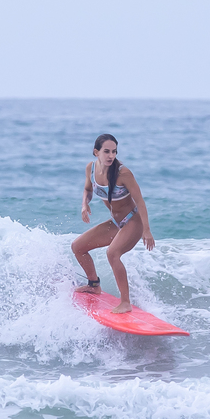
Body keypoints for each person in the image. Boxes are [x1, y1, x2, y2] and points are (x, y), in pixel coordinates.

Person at [71, 133, 154, 313]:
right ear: (96, 152)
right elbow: (87, 189)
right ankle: (93, 285)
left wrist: (146, 230)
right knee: (78, 247)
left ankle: (125, 302)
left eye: (114, 151)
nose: (111, 156)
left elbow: (140, 202)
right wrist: (84, 204)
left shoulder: (123, 173)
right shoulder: (91, 168)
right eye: (106, 151)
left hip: (133, 221)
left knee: (112, 253)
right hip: (116, 222)